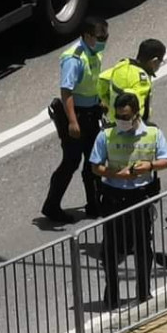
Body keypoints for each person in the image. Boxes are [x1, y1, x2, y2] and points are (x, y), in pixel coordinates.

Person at [90, 92, 167, 309]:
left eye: (126, 116)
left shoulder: (153, 132)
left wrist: (150, 166)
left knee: (143, 247)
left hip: (140, 197)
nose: (122, 121)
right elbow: (95, 166)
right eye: (119, 116)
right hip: (114, 197)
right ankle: (113, 295)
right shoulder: (106, 134)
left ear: (136, 114)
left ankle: (144, 292)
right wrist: (118, 174)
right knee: (111, 249)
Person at [41, 17, 109, 223]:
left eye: (106, 36)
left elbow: (91, 82)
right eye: (100, 37)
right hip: (75, 115)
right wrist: (72, 122)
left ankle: (94, 204)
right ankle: (51, 206)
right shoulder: (74, 58)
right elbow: (67, 92)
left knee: (93, 159)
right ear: (87, 36)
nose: (104, 40)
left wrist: (99, 102)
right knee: (71, 162)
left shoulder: (93, 51)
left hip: (90, 112)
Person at [97, 39, 166, 122]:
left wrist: (108, 103)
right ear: (154, 61)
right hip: (129, 130)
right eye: (160, 62)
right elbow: (137, 111)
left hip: (113, 122)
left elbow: (102, 79)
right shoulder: (141, 82)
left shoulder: (122, 65)